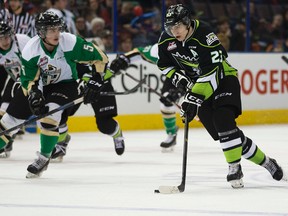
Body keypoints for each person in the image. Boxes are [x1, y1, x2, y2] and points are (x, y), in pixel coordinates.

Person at [157, 4, 287, 188]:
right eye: (170, 26)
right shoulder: (166, 40)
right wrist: (182, 80)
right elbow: (164, 65)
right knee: (226, 136)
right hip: (198, 87)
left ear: (187, 22)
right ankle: (266, 162)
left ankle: (234, 168)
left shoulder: (204, 33)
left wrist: (193, 98)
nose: (174, 30)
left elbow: (213, 70)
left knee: (223, 120)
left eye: (177, 25)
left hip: (223, 79)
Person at [0, 11, 118, 178]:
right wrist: (34, 94)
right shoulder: (31, 50)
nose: (56, 33)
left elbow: (100, 57)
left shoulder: (70, 42)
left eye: (57, 29)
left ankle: (43, 158)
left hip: (64, 85)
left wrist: (96, 79)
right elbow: (28, 79)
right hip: (40, 84)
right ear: (41, 32)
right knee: (7, 122)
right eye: (51, 30)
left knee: (50, 117)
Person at [110, 44, 184, 152]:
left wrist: (182, 90)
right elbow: (140, 52)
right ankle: (171, 133)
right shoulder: (163, 47)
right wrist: (124, 59)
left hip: (200, 76)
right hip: (176, 75)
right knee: (166, 101)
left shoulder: (193, 46)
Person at [51, 63, 125, 162]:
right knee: (58, 112)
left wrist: (95, 78)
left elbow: (105, 69)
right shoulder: (65, 50)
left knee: (105, 125)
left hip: (99, 85)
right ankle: (61, 143)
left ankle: (116, 133)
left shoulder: (93, 50)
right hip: (75, 84)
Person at [0, 18, 31, 158]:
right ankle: (8, 139)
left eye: (7, 36)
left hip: (33, 80)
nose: (5, 40)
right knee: (4, 109)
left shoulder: (23, 41)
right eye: (0, 38)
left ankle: (61, 140)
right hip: (15, 81)